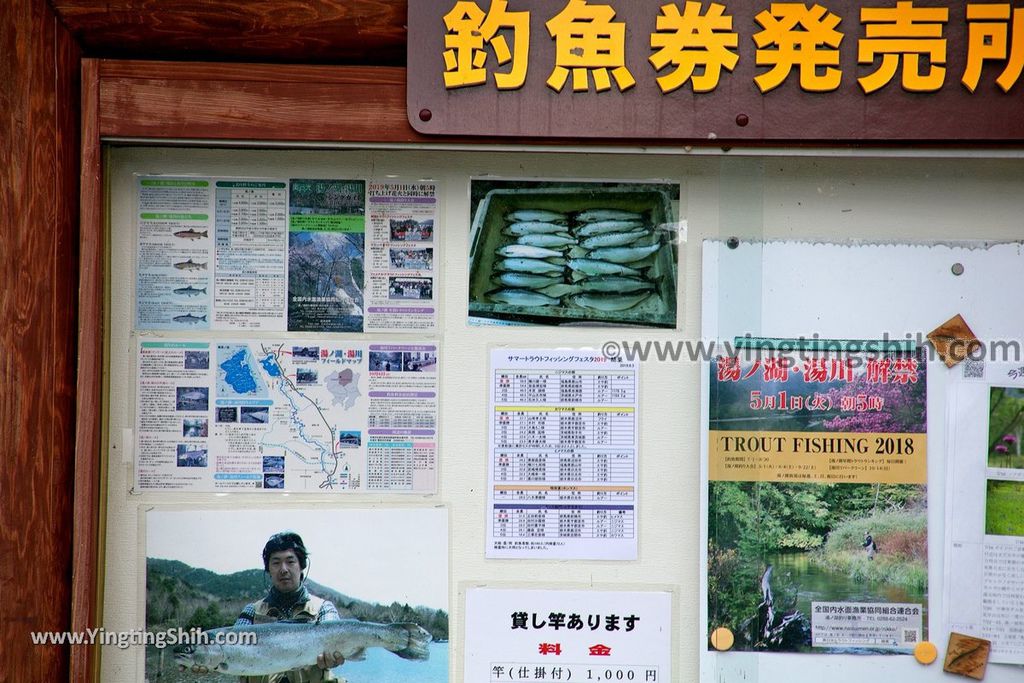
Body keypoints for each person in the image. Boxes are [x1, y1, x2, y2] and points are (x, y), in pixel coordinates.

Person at [181, 531, 345, 682]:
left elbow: (336, 638)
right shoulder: (251, 612)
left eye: (290, 561)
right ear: (268, 570)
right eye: (276, 563)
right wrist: (205, 659)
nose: (283, 569)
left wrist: (335, 654)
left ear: (301, 566)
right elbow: (233, 650)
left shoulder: (324, 608)